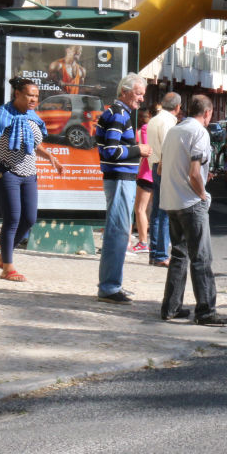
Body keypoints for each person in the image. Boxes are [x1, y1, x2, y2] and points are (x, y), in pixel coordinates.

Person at [0, 77, 64, 281]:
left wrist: (50, 157)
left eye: (37, 96)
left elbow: (32, 143)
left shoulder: (32, 115)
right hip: (6, 171)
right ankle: (8, 267)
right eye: (30, 95)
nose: (34, 99)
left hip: (29, 173)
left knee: (29, 219)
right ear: (17, 94)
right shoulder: (3, 114)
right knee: (12, 218)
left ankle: (2, 256)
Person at [158, 95, 227, 325]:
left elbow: (161, 168)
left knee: (179, 254)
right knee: (201, 257)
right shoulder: (199, 133)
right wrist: (202, 194)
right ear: (207, 113)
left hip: (171, 200)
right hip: (190, 202)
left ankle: (171, 307)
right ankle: (206, 311)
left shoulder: (174, 131)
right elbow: (195, 173)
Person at [95, 73, 151, 305]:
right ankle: (109, 287)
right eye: (138, 94)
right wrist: (139, 150)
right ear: (125, 91)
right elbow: (110, 151)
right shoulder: (119, 114)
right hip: (119, 178)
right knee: (118, 231)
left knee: (118, 230)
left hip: (119, 178)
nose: (141, 99)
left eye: (142, 95)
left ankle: (111, 284)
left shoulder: (116, 112)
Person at [146, 92, 180, 268]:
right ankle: (160, 254)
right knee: (164, 212)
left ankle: (154, 252)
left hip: (154, 165)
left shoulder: (154, 120)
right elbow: (169, 146)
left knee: (157, 211)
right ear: (177, 107)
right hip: (163, 166)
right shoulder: (168, 121)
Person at [130, 107, 154, 254]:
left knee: (140, 209)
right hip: (157, 171)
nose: (142, 118)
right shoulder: (164, 128)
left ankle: (143, 241)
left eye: (144, 116)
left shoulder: (146, 128)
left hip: (146, 173)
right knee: (154, 210)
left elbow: (145, 149)